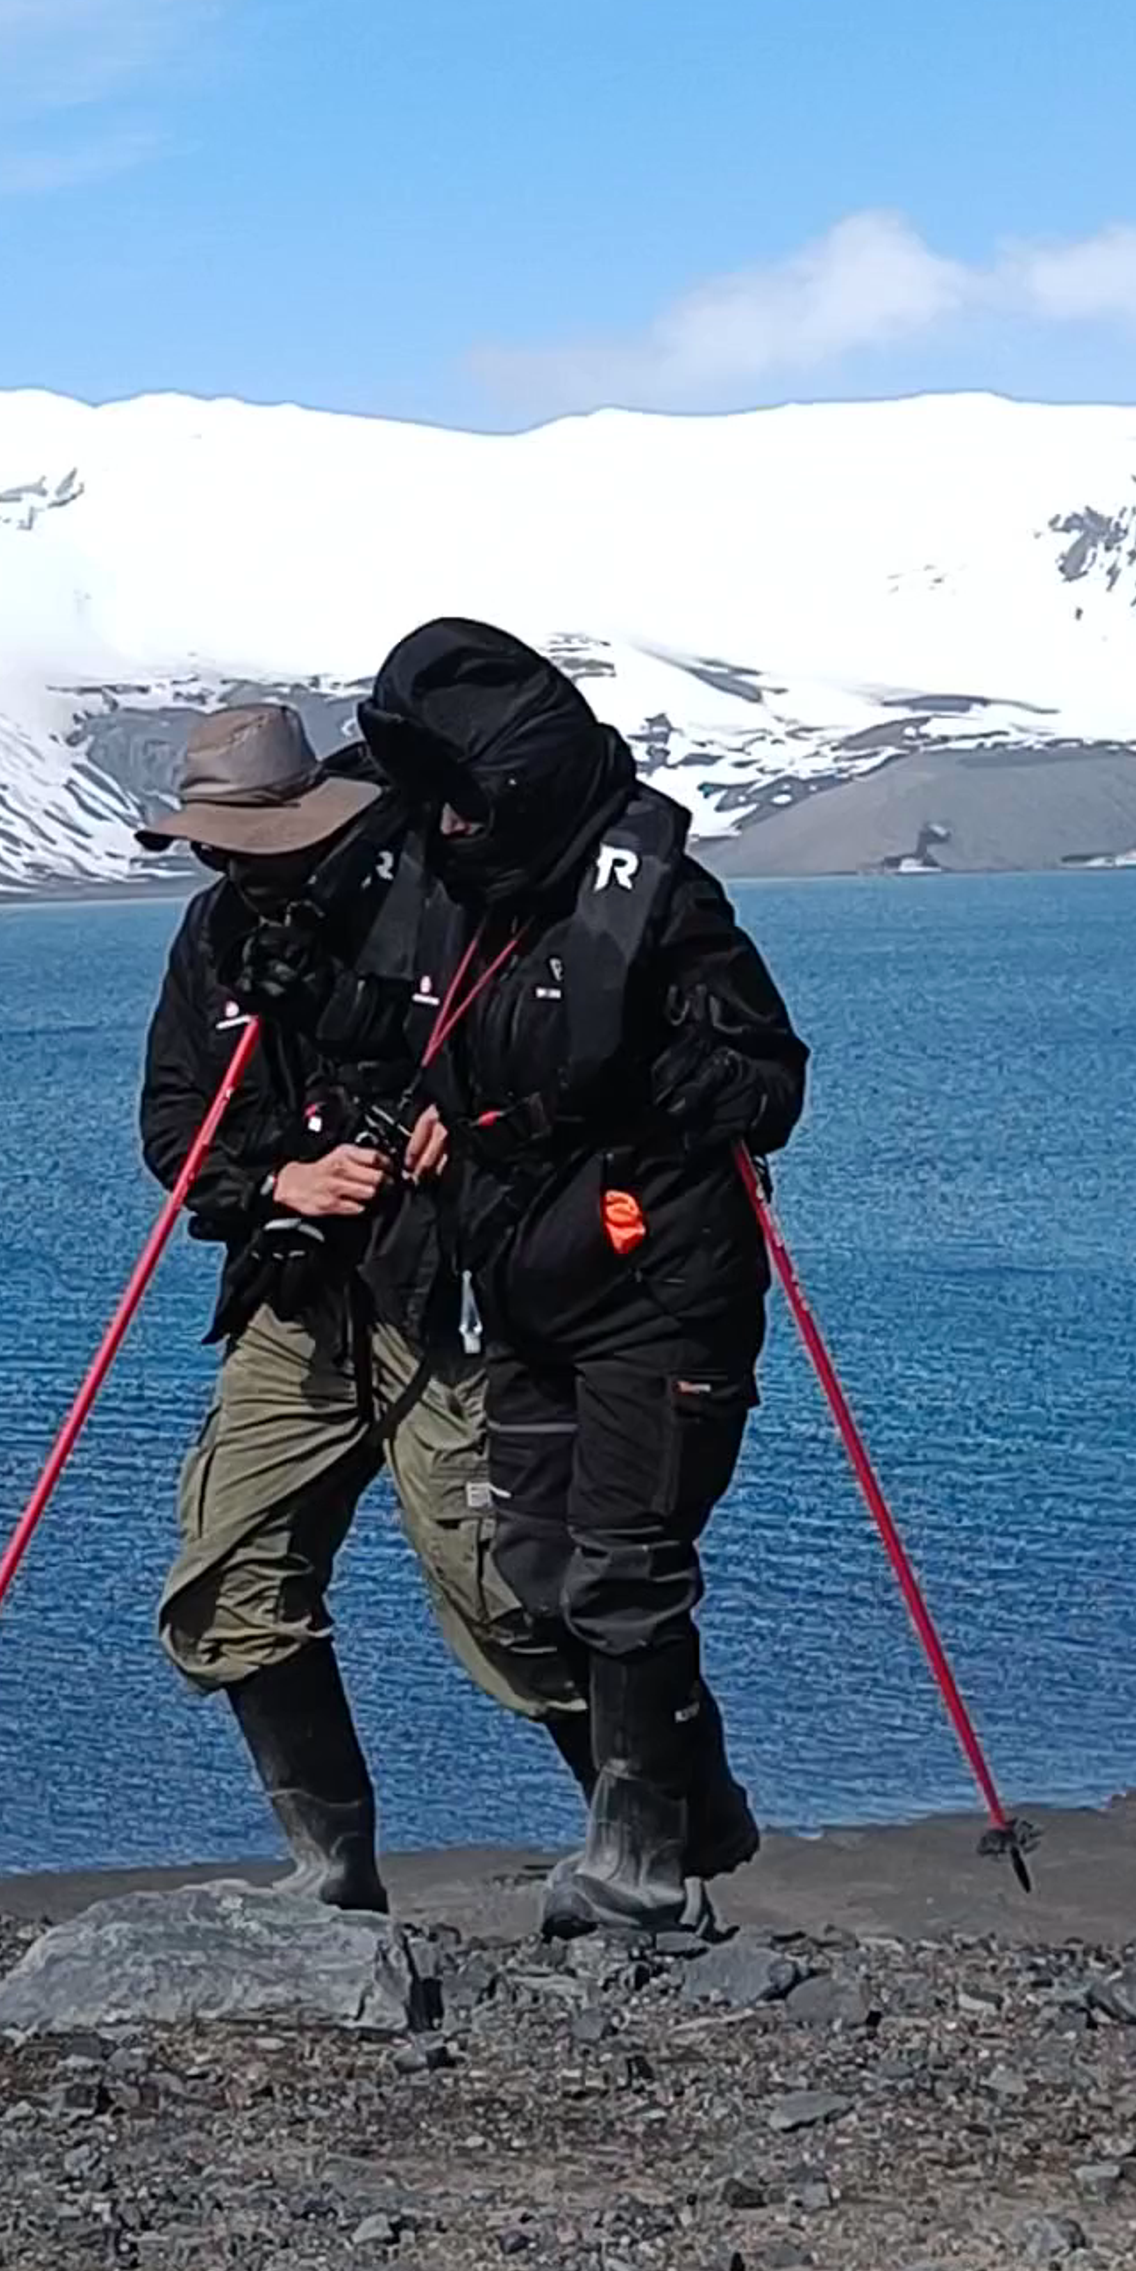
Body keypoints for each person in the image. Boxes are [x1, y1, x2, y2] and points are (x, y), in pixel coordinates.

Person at [359, 611, 811, 1939]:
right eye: (430, 804)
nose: (441, 829)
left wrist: (662, 1076)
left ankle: (640, 1869)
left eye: (460, 802)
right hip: (526, 1283)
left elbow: (770, 1081)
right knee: (536, 1567)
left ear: (522, 787)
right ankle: (693, 1807)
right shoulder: (462, 904)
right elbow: (433, 1051)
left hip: (661, 1285)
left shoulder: (664, 898)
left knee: (623, 1568)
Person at [134, 698, 596, 1912]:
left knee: (507, 1591)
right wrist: (277, 1177)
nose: (224, 862)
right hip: (294, 1294)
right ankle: (331, 1871)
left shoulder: (446, 896)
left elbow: (555, 1050)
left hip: (447, 1297)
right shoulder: (213, 934)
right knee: (227, 1583)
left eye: (242, 840)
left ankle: (655, 1845)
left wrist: (470, 1108)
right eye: (209, 845)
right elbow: (176, 1125)